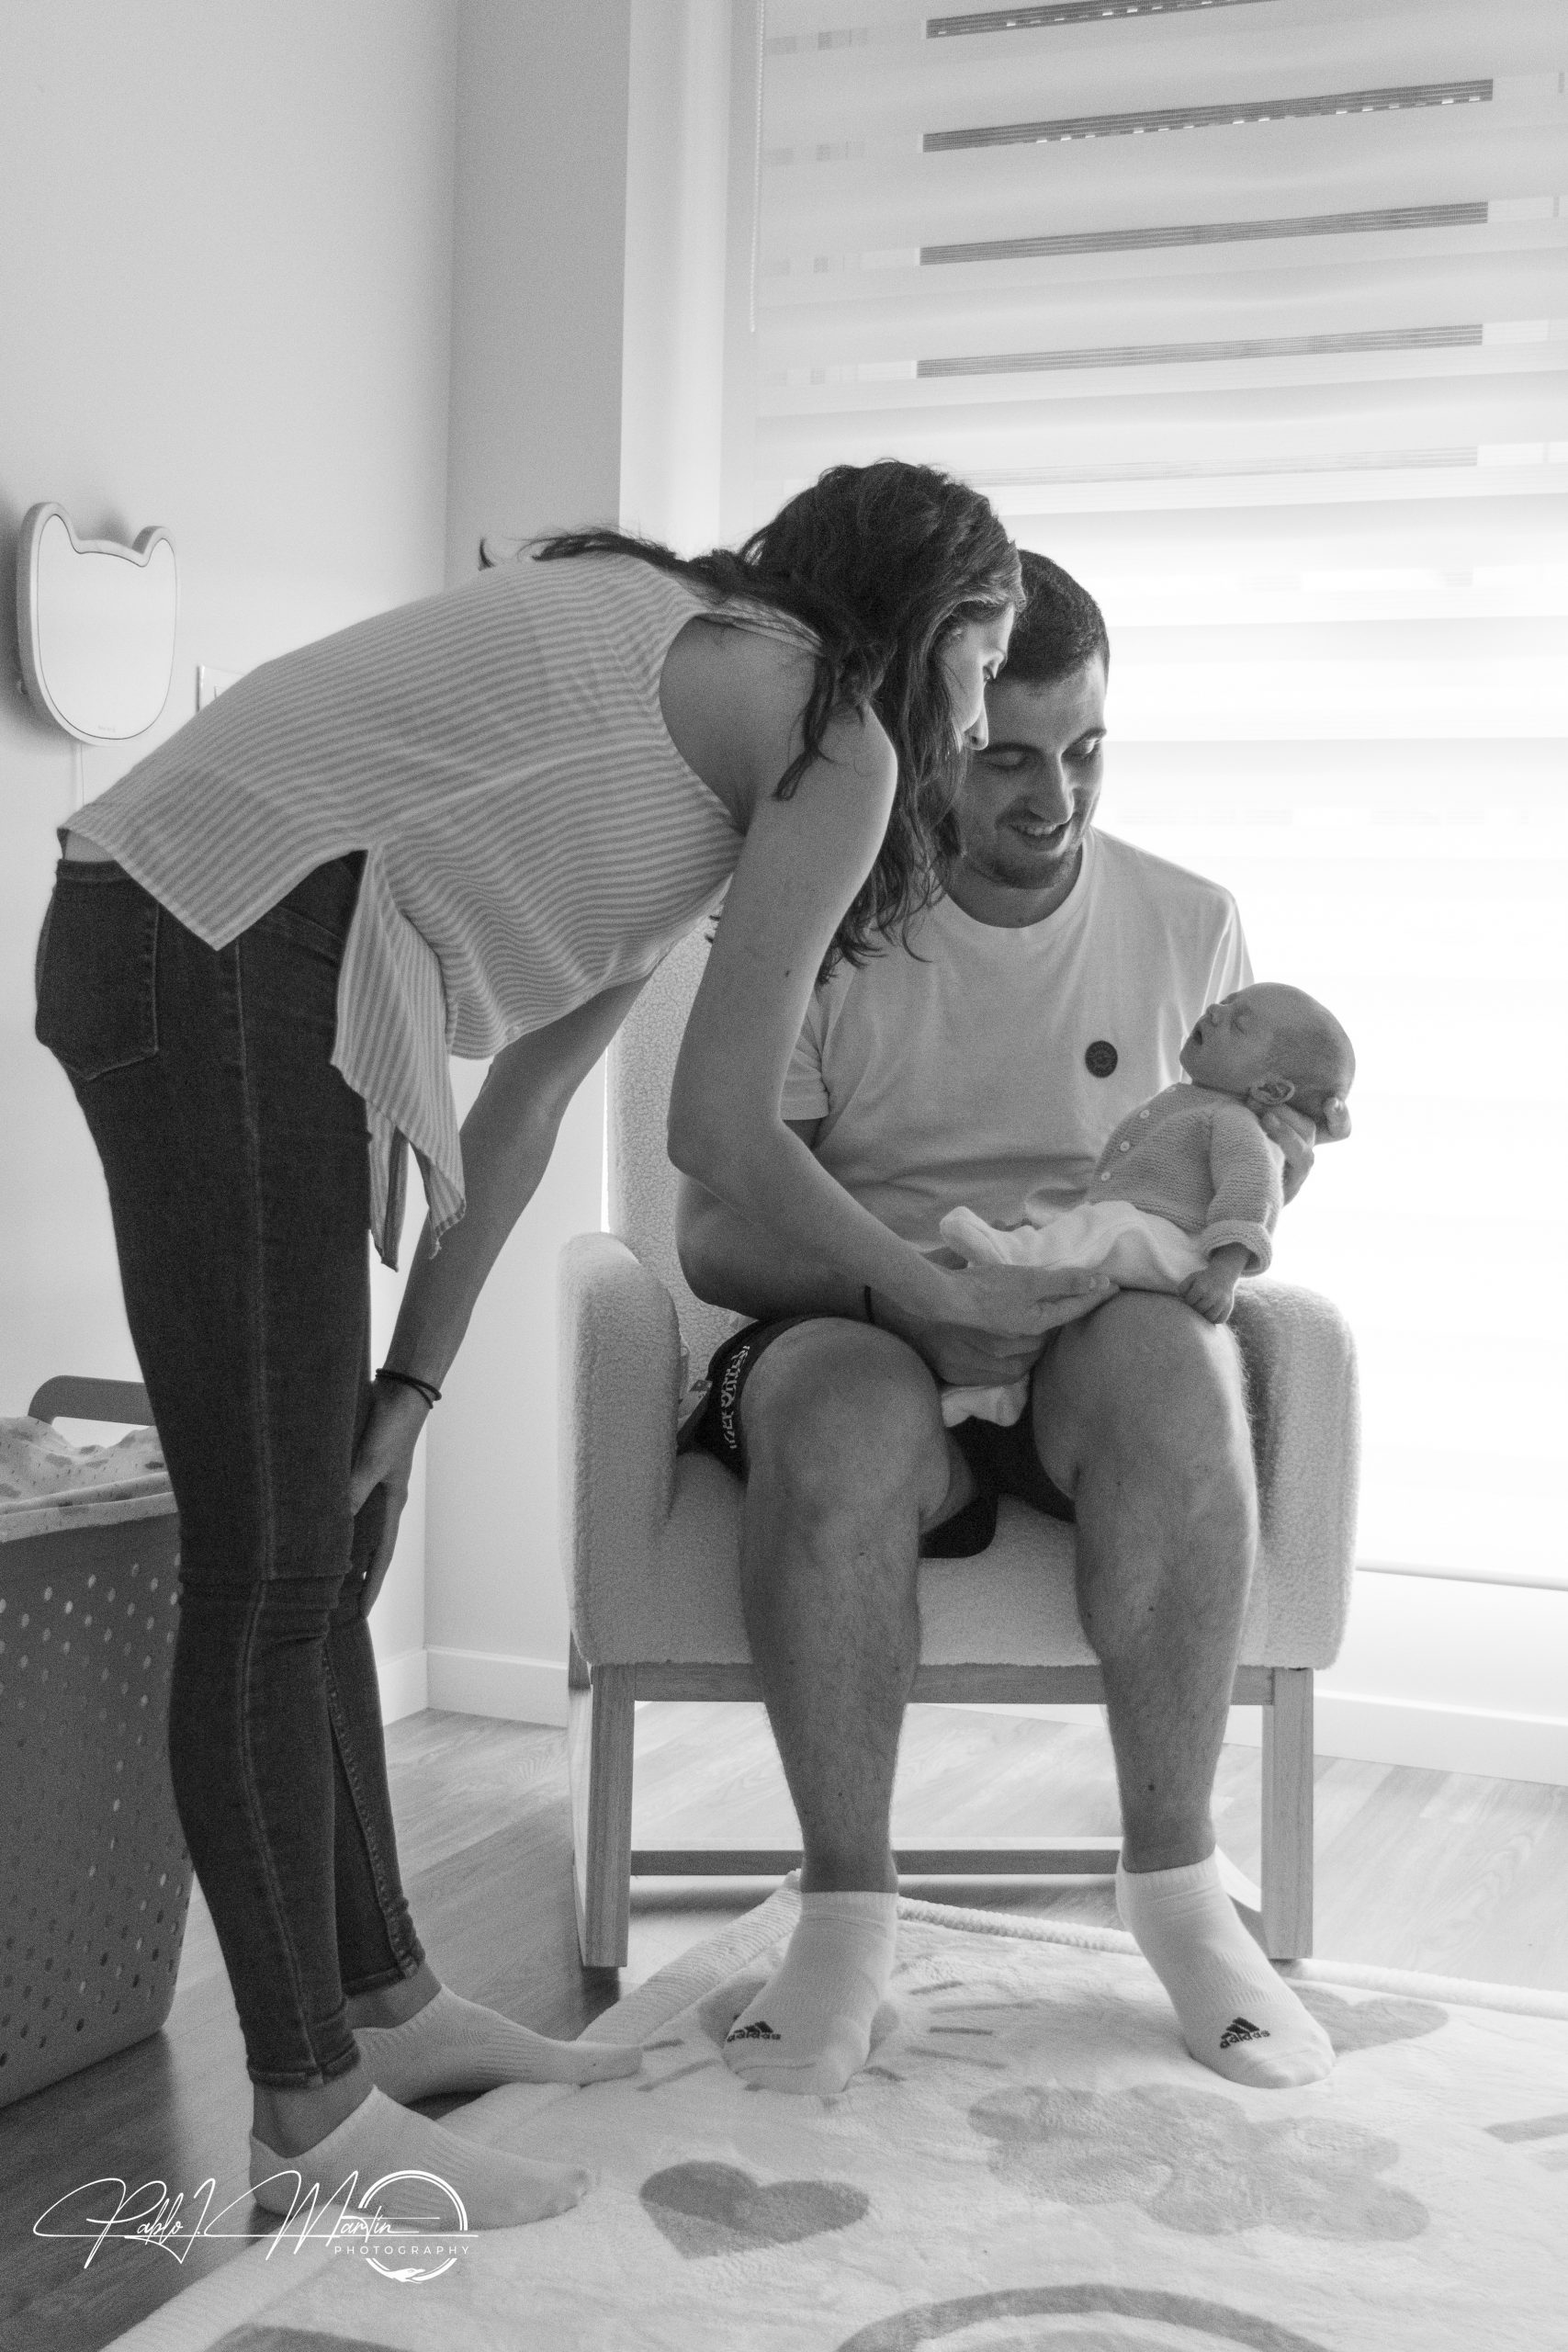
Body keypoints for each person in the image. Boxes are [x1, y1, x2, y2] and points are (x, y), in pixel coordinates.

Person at [33, 464, 1089, 2230]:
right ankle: (311, 2109)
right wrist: (940, 1294)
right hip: (218, 931)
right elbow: (722, 1134)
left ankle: (387, 2003)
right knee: (268, 1571)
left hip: (206, 932)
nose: (978, 723)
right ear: (936, 627)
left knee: (325, 1535)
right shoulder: (830, 730)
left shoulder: (705, 699)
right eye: (984, 667)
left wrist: (411, 1384)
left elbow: (522, 1109)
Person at [677, 550, 1352, 2102]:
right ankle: (843, 1921)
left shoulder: (1191, 922)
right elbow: (711, 1233)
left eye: (1086, 750)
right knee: (838, 1411)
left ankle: (1178, 1897)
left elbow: (1228, 1178)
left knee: (1179, 1370)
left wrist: (1249, 1204)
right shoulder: (824, 916)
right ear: (933, 738)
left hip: (1082, 1339)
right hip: (862, 1309)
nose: (1055, 800)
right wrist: (911, 1291)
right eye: (1007, 759)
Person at [940, 980, 1356, 1423]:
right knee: (1060, 1284)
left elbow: (1250, 1198)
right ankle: (998, 1390)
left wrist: (1223, 1275)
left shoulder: (1234, 1124)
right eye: (1226, 1002)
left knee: (1106, 1226)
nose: (1216, 1011)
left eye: (1239, 1024)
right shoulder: (1193, 1102)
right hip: (1144, 1237)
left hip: (1170, 1245)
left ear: (1271, 1092)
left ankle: (1011, 1255)